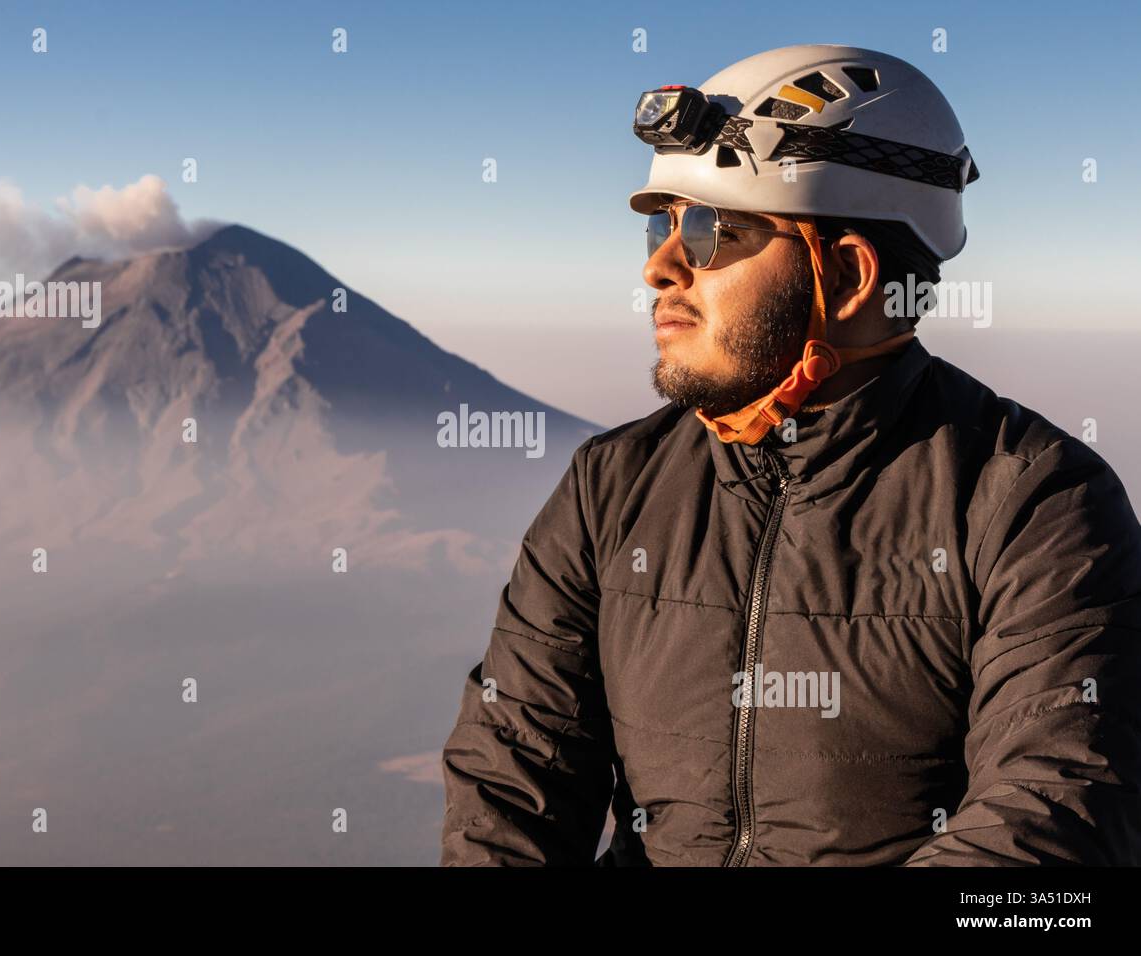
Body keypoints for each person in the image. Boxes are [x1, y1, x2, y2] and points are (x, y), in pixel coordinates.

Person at [438, 44, 1141, 866]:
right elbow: (512, 774)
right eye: (660, 224)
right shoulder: (610, 486)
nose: (659, 266)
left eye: (708, 228)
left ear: (845, 275)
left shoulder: (1032, 501)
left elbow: (1057, 815)